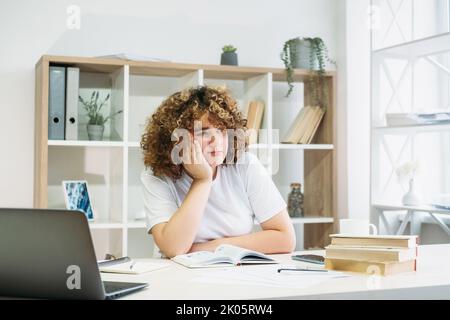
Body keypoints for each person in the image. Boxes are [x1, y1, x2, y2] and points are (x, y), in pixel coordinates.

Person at [140, 86, 295, 258]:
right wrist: (202, 180)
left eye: (221, 130)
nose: (217, 141)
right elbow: (174, 248)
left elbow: (285, 238)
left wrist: (210, 247)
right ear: (177, 138)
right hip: (178, 274)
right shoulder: (157, 175)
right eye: (203, 132)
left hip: (234, 272)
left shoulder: (245, 164)